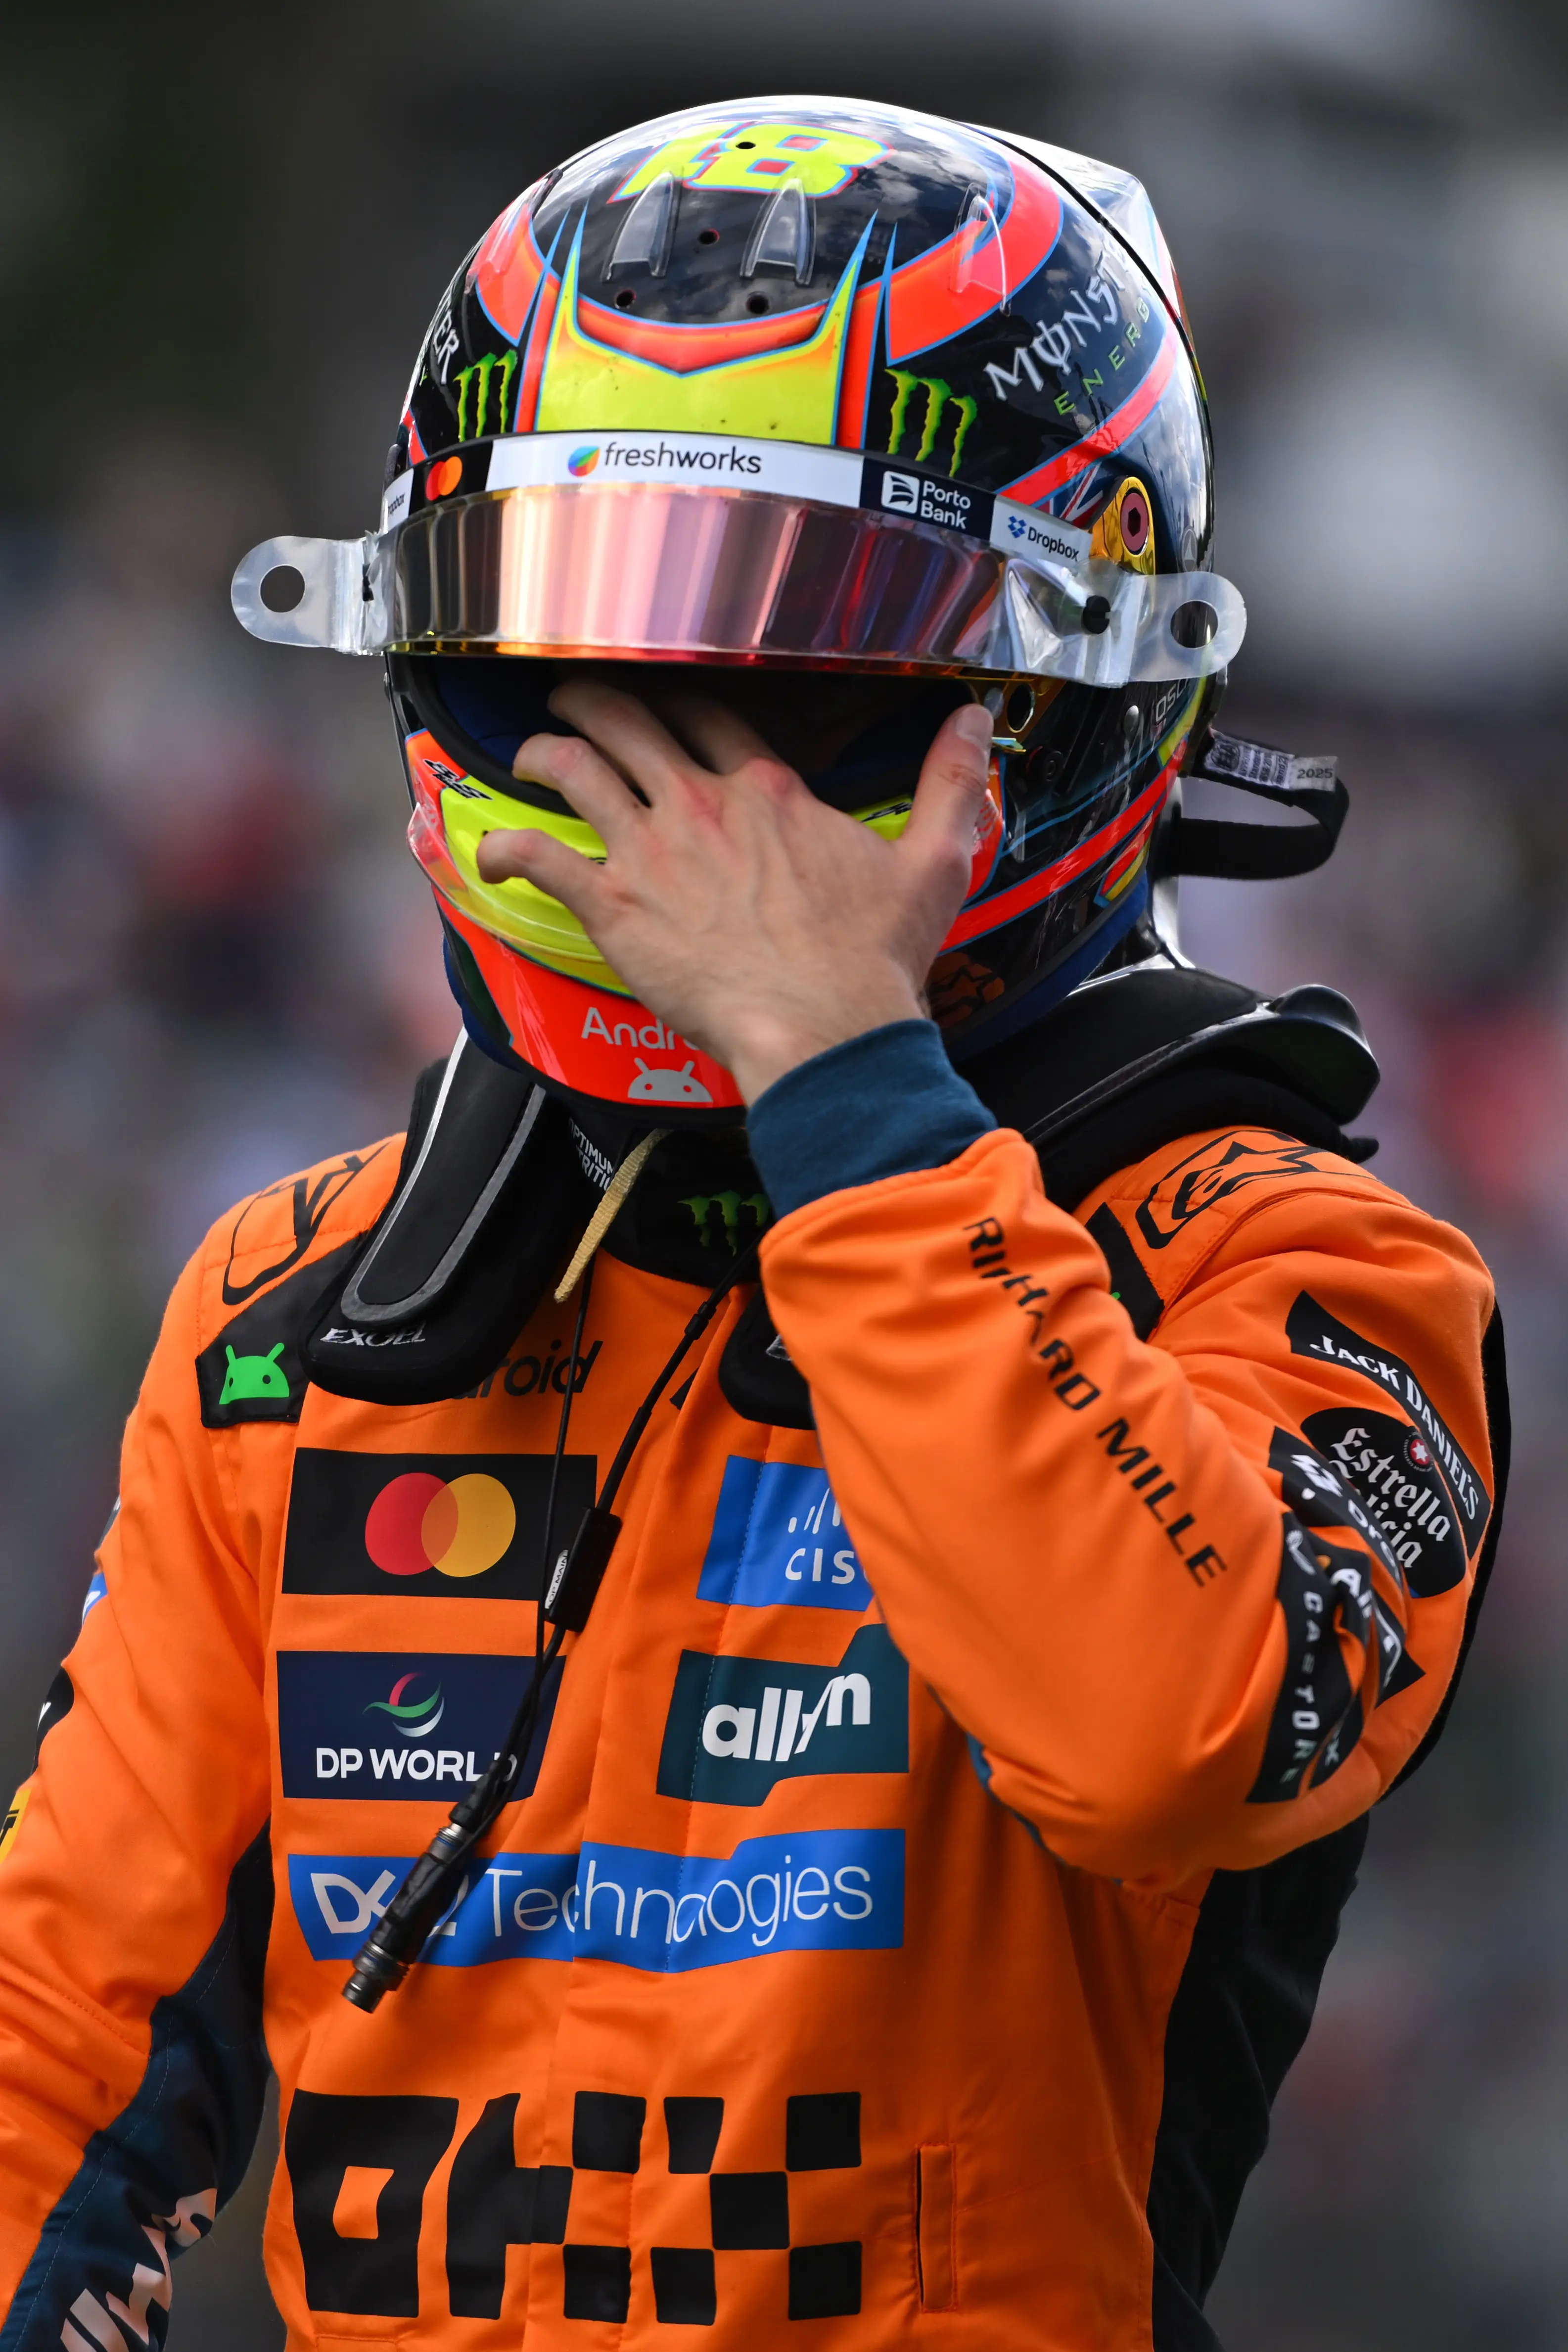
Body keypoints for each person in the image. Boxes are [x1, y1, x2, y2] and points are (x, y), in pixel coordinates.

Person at [0, 97, 1506, 2351]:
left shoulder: (1298, 1264)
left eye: (805, 683)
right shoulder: (295, 1310)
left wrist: (839, 1079)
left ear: (1078, 695)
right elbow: (59, 2048)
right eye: (573, 662)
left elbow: (1156, 1734)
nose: (683, 795)